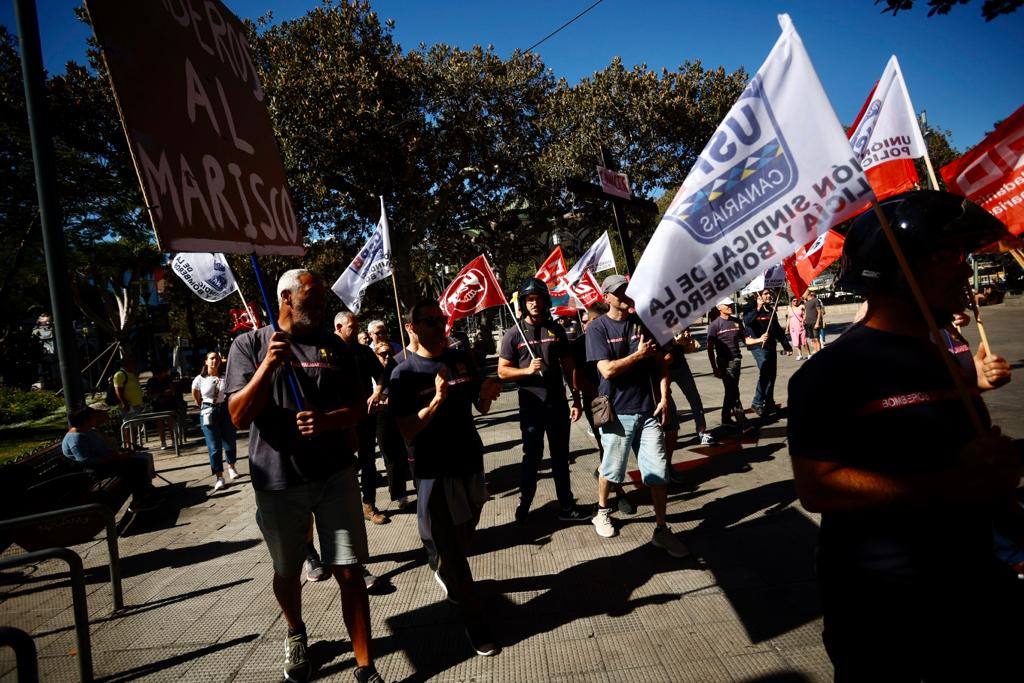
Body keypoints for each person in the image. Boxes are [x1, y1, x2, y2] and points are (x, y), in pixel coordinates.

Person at [787, 190, 1021, 680]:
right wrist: (955, 478)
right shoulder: (830, 372)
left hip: (975, 590)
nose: (965, 270)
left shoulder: (944, 355)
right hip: (887, 612)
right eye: (947, 256)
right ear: (895, 273)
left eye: (967, 255)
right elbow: (817, 486)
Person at [225, 269, 383, 683]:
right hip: (278, 480)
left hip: (334, 474)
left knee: (349, 569)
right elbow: (239, 416)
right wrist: (267, 366)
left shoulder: (334, 347)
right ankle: (295, 631)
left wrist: (328, 421)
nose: (320, 306)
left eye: (321, 300)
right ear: (285, 298)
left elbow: (358, 407)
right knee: (288, 569)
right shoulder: (250, 344)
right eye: (311, 299)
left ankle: (365, 665)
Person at [389, 300, 503, 657]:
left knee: (466, 534)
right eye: (429, 321)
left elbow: (479, 405)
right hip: (433, 471)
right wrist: (436, 400)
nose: (439, 326)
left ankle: (441, 562)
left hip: (470, 460)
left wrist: (487, 394)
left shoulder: (461, 358)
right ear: (412, 328)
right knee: (456, 553)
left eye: (441, 320)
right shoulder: (403, 373)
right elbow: (407, 428)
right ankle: (475, 622)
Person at [585, 274, 689, 557]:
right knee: (612, 470)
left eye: (627, 291)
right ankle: (602, 512)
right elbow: (606, 370)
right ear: (606, 297)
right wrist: (637, 355)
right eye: (618, 292)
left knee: (658, 473)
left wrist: (665, 396)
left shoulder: (643, 325)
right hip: (617, 413)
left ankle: (661, 529)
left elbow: (661, 365)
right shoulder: (598, 328)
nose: (624, 296)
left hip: (648, 411)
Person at [498, 277, 588, 523]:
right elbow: (502, 371)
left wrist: (576, 399)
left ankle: (567, 506)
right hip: (531, 406)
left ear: (545, 301)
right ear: (523, 304)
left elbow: (569, 368)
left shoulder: (556, 329)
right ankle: (525, 503)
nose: (534, 303)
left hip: (557, 404)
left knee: (561, 457)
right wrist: (526, 371)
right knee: (532, 457)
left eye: (538, 298)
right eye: (529, 299)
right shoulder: (513, 335)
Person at [334, 311, 389, 526]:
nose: (356, 331)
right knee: (342, 465)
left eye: (357, 326)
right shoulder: (326, 350)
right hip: (337, 420)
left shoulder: (364, 352)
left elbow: (381, 374)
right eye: (351, 327)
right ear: (338, 327)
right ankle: (342, 509)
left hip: (364, 416)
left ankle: (369, 505)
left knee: (368, 463)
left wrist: (378, 391)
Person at [62, 407, 158, 511]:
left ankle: (145, 493)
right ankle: (138, 501)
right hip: (95, 471)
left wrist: (119, 454)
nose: (96, 420)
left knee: (137, 460)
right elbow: (86, 461)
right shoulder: (76, 438)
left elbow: (102, 449)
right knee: (135, 464)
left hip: (106, 463)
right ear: (86, 420)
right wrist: (114, 458)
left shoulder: (87, 431)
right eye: (94, 418)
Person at [371, 340, 411, 508]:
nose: (387, 356)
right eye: (382, 354)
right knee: (389, 456)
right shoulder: (372, 373)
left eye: (389, 353)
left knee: (403, 453)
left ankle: (406, 491)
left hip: (397, 413)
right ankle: (397, 492)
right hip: (379, 417)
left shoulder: (397, 369)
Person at [191, 351, 238, 492]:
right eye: (211, 358)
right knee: (214, 446)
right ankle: (219, 476)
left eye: (217, 358)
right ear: (206, 361)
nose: (215, 361)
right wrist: (202, 403)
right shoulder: (200, 379)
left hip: (224, 410)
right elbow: (196, 396)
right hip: (208, 410)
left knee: (229, 440)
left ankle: (231, 466)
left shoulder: (225, 377)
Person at [742, 290, 792, 418]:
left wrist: (786, 345)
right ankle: (757, 402)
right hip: (757, 345)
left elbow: (777, 329)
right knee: (765, 373)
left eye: (769, 293)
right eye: (765, 293)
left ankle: (769, 402)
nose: (769, 295)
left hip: (770, 345)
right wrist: (757, 307)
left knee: (772, 375)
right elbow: (747, 321)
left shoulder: (771, 309)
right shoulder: (750, 306)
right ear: (757, 295)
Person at [706, 297, 747, 429]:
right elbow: (710, 349)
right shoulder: (714, 325)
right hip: (725, 363)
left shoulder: (736, 322)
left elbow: (746, 340)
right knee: (733, 391)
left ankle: (726, 418)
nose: (730, 306)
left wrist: (759, 339)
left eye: (731, 304)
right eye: (727, 305)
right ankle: (740, 420)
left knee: (731, 391)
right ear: (719, 308)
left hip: (737, 361)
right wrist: (714, 368)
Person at [146, 364, 183, 450]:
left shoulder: (168, 379)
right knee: (159, 422)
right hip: (157, 405)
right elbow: (149, 395)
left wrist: (170, 392)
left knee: (170, 421)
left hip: (169, 403)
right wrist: (161, 394)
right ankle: (163, 441)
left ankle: (174, 440)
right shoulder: (151, 381)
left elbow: (173, 391)